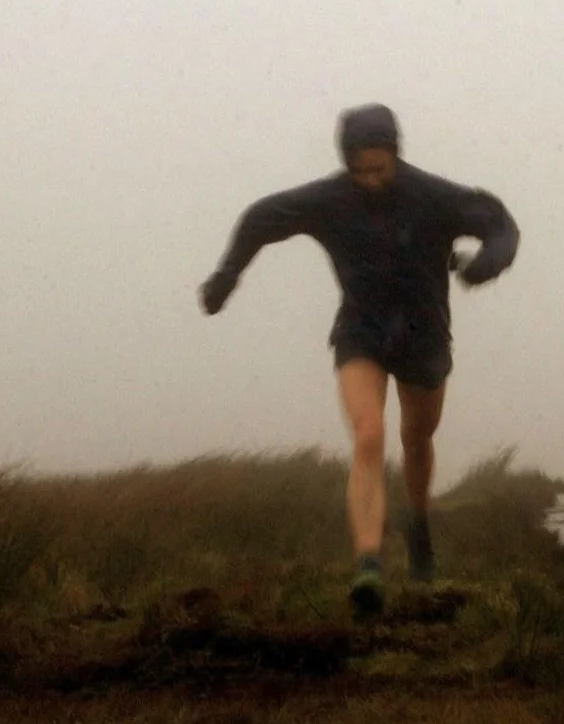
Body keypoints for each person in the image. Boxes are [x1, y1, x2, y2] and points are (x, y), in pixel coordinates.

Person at [198, 103, 519, 617]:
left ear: (395, 155)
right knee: (367, 433)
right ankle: (368, 563)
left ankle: (417, 525)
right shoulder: (329, 200)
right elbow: (260, 219)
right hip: (361, 332)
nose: (370, 179)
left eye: (380, 168)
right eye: (360, 169)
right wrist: (226, 278)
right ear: (346, 162)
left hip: (424, 335)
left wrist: (485, 265)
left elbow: (499, 223)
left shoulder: (432, 196)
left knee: (417, 439)